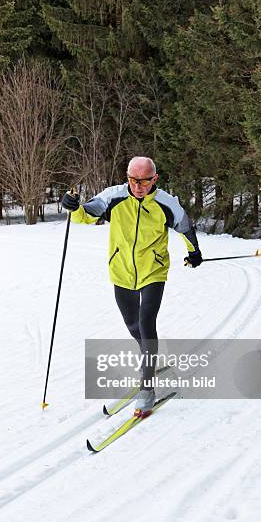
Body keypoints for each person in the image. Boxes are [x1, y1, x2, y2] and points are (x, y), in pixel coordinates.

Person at [63, 156, 203, 416]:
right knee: (133, 325)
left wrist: (194, 252)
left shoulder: (166, 203)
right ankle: (148, 356)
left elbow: (185, 226)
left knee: (147, 322)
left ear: (155, 179)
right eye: (133, 180)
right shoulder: (112, 197)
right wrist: (72, 207)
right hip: (121, 271)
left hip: (153, 270)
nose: (138, 186)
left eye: (144, 181)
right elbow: (84, 215)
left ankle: (147, 388)